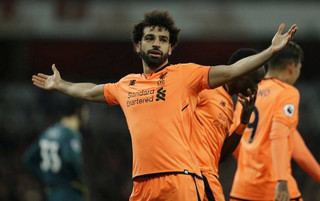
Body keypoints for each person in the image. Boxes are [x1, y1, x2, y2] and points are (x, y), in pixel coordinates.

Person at [31, 10, 297, 201]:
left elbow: (231, 71)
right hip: (141, 184)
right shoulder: (127, 85)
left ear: (171, 49)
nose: (156, 43)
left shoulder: (186, 76)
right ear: (138, 46)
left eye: (163, 39)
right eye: (150, 38)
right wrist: (62, 84)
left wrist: (270, 52)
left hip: (180, 181)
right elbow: (90, 91)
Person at [230, 41, 320, 201]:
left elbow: (235, 144)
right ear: (292, 66)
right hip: (276, 190)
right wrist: (282, 181)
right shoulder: (287, 93)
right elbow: (278, 134)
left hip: (242, 189)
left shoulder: (248, 93)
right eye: (299, 68)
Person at [190, 48, 265, 201]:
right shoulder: (205, 88)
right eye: (256, 81)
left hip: (208, 173)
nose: (256, 88)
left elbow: (220, 155)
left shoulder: (229, 105)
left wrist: (243, 123)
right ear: (242, 72)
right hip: (196, 173)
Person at [24, 96, 89, 201]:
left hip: (52, 193)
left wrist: (46, 179)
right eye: (86, 112)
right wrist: (79, 179)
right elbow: (70, 159)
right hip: (70, 192)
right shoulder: (71, 134)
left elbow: (28, 159)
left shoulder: (48, 132)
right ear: (79, 111)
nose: (87, 116)